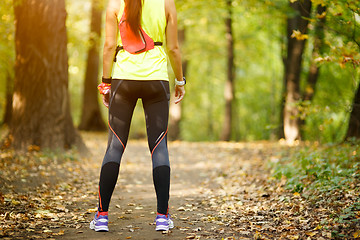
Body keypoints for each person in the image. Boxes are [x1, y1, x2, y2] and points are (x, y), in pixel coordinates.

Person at [89, 0, 185, 233]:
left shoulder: (114, 4)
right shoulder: (166, 3)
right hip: (156, 80)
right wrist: (180, 81)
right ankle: (162, 217)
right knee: (159, 146)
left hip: (124, 80)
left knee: (114, 146)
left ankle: (102, 217)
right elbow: (173, 48)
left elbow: (109, 46)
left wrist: (106, 83)